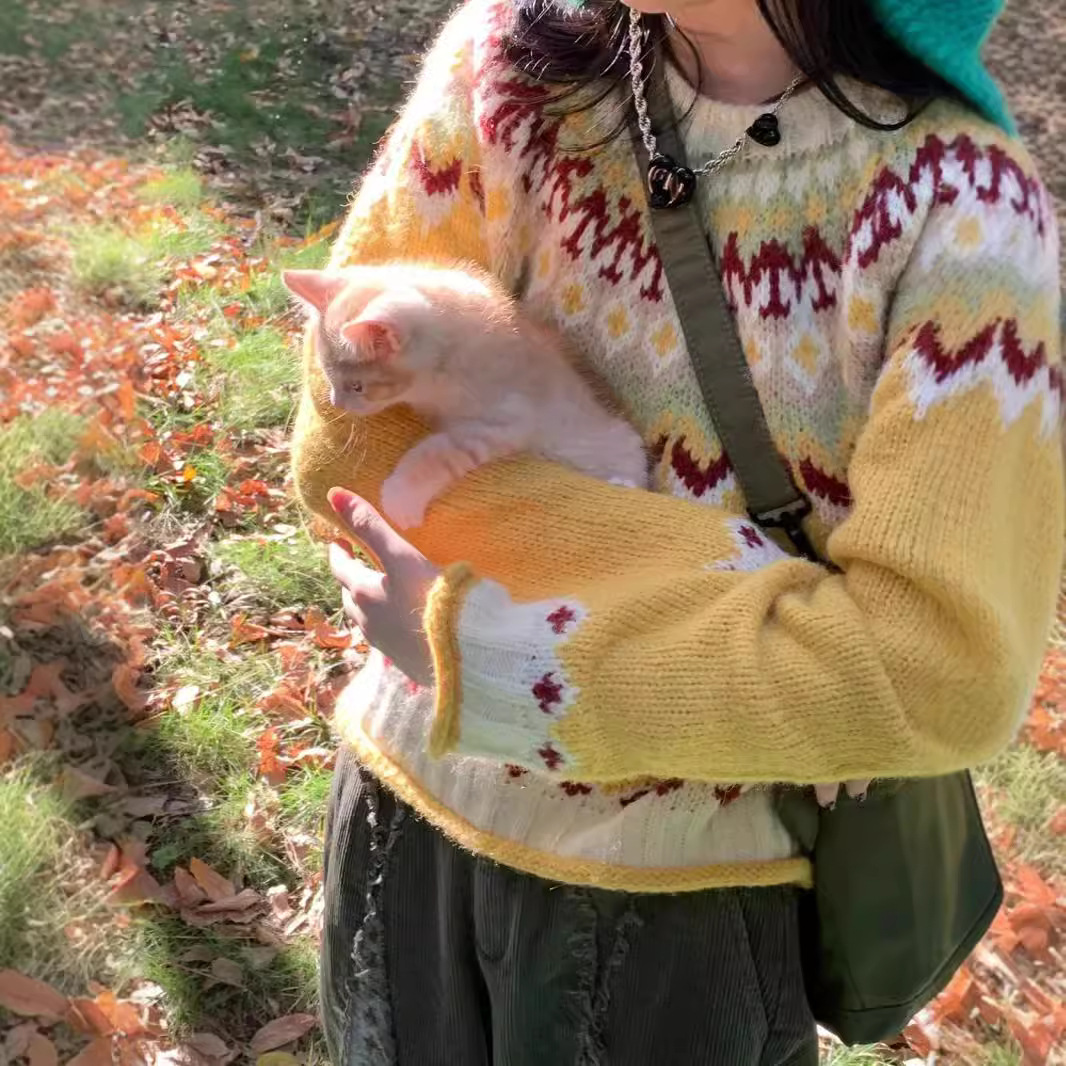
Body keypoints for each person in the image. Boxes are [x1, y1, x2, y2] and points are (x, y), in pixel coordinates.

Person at [291, 0, 1063, 1061]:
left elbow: (939, 669)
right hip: (404, 814)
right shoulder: (502, 65)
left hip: (679, 907)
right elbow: (349, 447)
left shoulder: (967, 215)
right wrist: (774, 610)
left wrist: (500, 654)